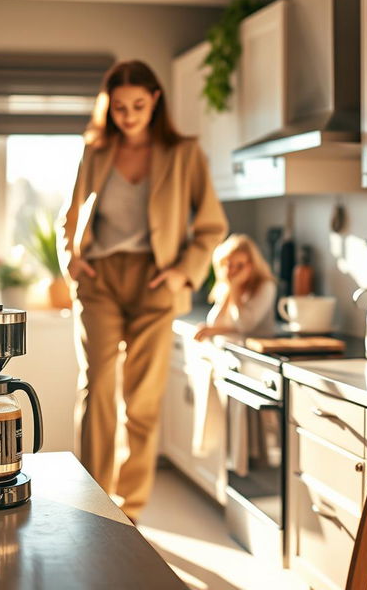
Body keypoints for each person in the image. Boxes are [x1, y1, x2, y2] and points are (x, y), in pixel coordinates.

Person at [57, 60, 228, 522]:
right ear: (107, 107)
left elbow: (212, 225)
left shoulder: (184, 153)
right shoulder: (94, 152)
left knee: (143, 397)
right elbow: (68, 217)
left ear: (155, 100)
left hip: (156, 282)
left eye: (137, 105)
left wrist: (183, 272)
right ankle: (93, 502)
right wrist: (70, 257)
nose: (128, 116)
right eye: (118, 108)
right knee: (96, 388)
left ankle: (128, 510)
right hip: (100, 281)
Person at [194, 234, 276, 341]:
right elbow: (214, 323)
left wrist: (235, 289)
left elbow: (245, 326)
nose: (233, 271)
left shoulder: (266, 286)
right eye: (229, 265)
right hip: (233, 348)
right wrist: (231, 289)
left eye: (240, 266)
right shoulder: (226, 286)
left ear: (251, 266)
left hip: (257, 351)